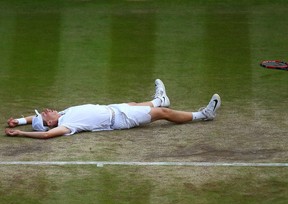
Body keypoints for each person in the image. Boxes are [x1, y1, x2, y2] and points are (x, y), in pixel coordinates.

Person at [5, 79, 221, 139]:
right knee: (162, 116)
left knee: (137, 104)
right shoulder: (65, 126)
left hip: (114, 109)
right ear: (49, 123)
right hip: (119, 120)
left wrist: (20, 121)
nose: (47, 110)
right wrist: (21, 133)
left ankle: (160, 99)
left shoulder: (62, 115)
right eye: (45, 114)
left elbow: (40, 123)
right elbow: (46, 135)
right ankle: (203, 114)